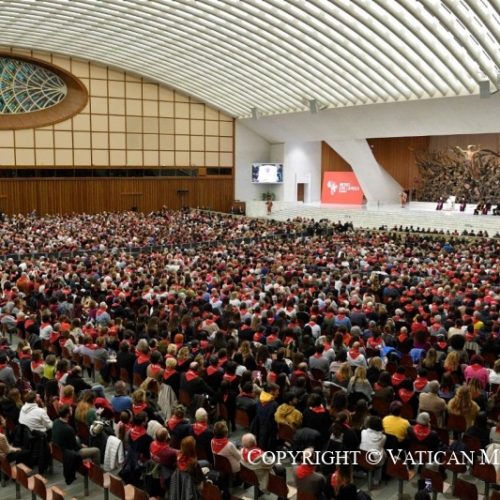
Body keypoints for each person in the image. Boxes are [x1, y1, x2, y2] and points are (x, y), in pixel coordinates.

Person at [359, 416, 386, 486]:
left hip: (361, 459)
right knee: (383, 452)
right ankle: (376, 480)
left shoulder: (363, 432)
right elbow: (381, 448)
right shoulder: (383, 437)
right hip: (374, 461)